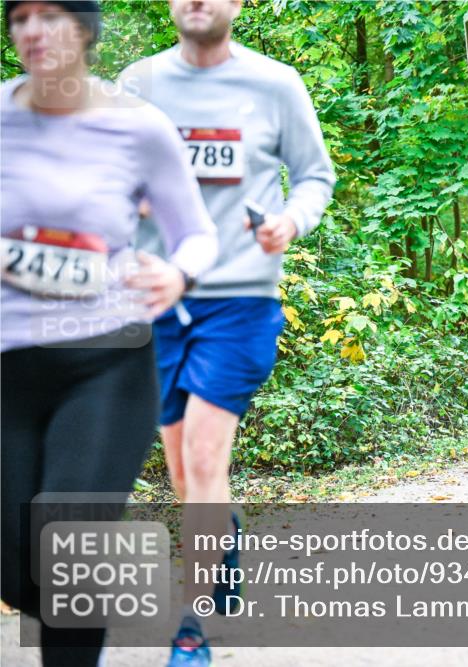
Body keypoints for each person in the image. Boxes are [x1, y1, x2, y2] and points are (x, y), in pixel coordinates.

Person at [1, 2, 218, 665]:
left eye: (52, 15)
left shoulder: (137, 126)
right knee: (18, 562)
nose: (33, 31)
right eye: (20, 17)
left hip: (107, 359)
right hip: (9, 364)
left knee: (69, 546)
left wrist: (178, 274)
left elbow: (197, 234)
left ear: (87, 29)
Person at [120, 0, 335, 664]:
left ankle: (191, 626)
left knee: (208, 460)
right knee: (186, 472)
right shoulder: (138, 86)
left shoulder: (276, 84)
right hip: (161, 300)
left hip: (240, 299)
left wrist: (290, 223)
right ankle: (226, 533)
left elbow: (315, 177)